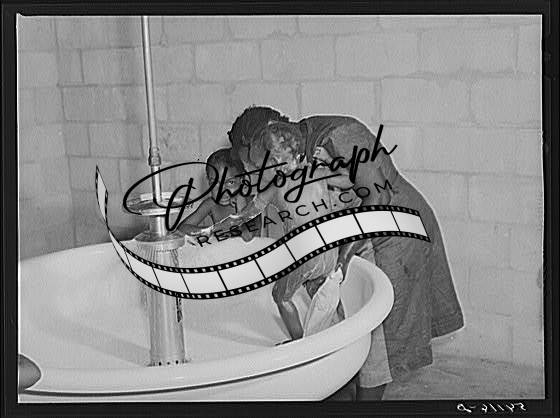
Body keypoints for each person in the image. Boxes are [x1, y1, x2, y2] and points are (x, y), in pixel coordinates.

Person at [223, 106, 464, 401]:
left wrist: (344, 256)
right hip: (357, 238)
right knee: (344, 330)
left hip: (392, 233)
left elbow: (378, 195)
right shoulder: (292, 154)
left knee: (377, 342)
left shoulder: (339, 135)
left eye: (254, 161)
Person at [177, 148, 257, 241]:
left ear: (242, 180)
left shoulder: (253, 202)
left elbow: (248, 236)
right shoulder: (211, 204)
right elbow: (181, 230)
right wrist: (213, 230)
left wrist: (241, 203)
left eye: (230, 182)